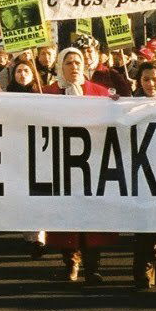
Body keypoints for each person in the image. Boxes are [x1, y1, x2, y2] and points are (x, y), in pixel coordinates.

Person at [44, 47, 117, 282]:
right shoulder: (47, 94)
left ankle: (93, 266)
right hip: (61, 165)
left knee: (94, 216)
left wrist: (118, 104)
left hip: (92, 165)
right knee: (67, 217)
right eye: (69, 63)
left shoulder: (100, 93)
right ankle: (71, 262)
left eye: (78, 62)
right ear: (60, 67)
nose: (74, 67)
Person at [127, 61, 156, 291]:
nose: (151, 84)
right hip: (140, 169)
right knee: (144, 220)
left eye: (154, 79)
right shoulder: (131, 104)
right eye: (146, 80)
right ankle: (144, 267)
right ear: (139, 82)